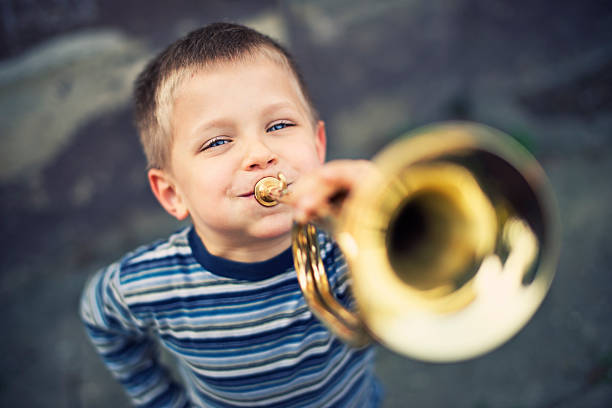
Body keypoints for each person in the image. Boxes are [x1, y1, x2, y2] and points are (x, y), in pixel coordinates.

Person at [80, 22, 381, 407]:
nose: (260, 154)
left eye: (280, 124)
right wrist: (160, 400)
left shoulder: (348, 250)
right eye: (218, 141)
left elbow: (414, 323)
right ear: (173, 194)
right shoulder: (146, 284)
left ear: (318, 146)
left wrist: (387, 216)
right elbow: (99, 316)